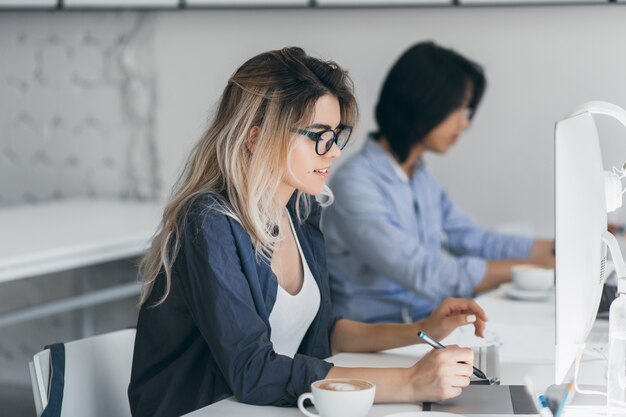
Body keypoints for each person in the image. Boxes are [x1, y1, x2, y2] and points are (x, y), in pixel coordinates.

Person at [127, 47, 489, 417]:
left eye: (336, 135)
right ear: (255, 138)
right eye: (318, 135)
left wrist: (420, 330)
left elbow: (320, 333)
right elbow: (253, 371)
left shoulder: (301, 213)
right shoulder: (209, 221)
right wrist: (409, 382)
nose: (331, 151)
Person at [321, 41, 555, 324]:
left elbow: (476, 241)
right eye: (458, 109)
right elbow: (429, 274)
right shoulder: (355, 185)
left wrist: (563, 247)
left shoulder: (419, 177)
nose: (464, 124)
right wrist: (541, 267)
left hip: (426, 328)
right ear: (423, 102)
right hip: (378, 342)